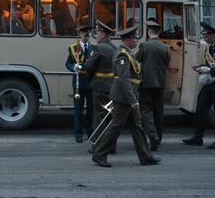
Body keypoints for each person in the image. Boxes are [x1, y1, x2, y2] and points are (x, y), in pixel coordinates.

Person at [91, 26, 160, 167]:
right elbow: (124, 80)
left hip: (129, 97)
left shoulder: (128, 53)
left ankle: (146, 157)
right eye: (135, 38)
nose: (137, 40)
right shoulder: (122, 55)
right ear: (128, 39)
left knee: (137, 127)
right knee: (116, 126)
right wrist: (133, 100)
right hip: (124, 98)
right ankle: (99, 154)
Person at [183, 22, 215, 149]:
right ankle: (198, 137)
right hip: (209, 83)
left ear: (212, 35)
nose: (204, 39)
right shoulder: (209, 47)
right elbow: (209, 64)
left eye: (206, 36)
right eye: (204, 36)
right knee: (200, 109)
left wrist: (209, 70)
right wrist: (200, 68)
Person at [84, 20, 118, 153]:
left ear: (103, 34)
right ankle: (111, 147)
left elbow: (88, 66)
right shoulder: (114, 48)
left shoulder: (99, 48)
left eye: (97, 33)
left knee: (99, 117)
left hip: (100, 87)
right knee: (110, 118)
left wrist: (93, 77)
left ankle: (97, 147)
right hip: (112, 87)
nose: (96, 35)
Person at [136, 21, 170, 151]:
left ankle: (152, 136)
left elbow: (136, 59)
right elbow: (166, 64)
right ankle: (159, 138)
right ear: (159, 33)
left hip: (146, 83)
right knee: (159, 112)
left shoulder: (144, 45)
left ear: (149, 33)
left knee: (145, 110)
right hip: (160, 84)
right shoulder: (165, 47)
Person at [65, 25, 94, 143]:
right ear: (80, 35)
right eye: (84, 33)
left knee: (91, 110)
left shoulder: (94, 47)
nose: (86, 35)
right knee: (78, 109)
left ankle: (91, 132)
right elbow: (68, 63)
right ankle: (78, 133)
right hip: (79, 82)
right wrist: (74, 67)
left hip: (91, 81)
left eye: (88, 33)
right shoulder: (73, 48)